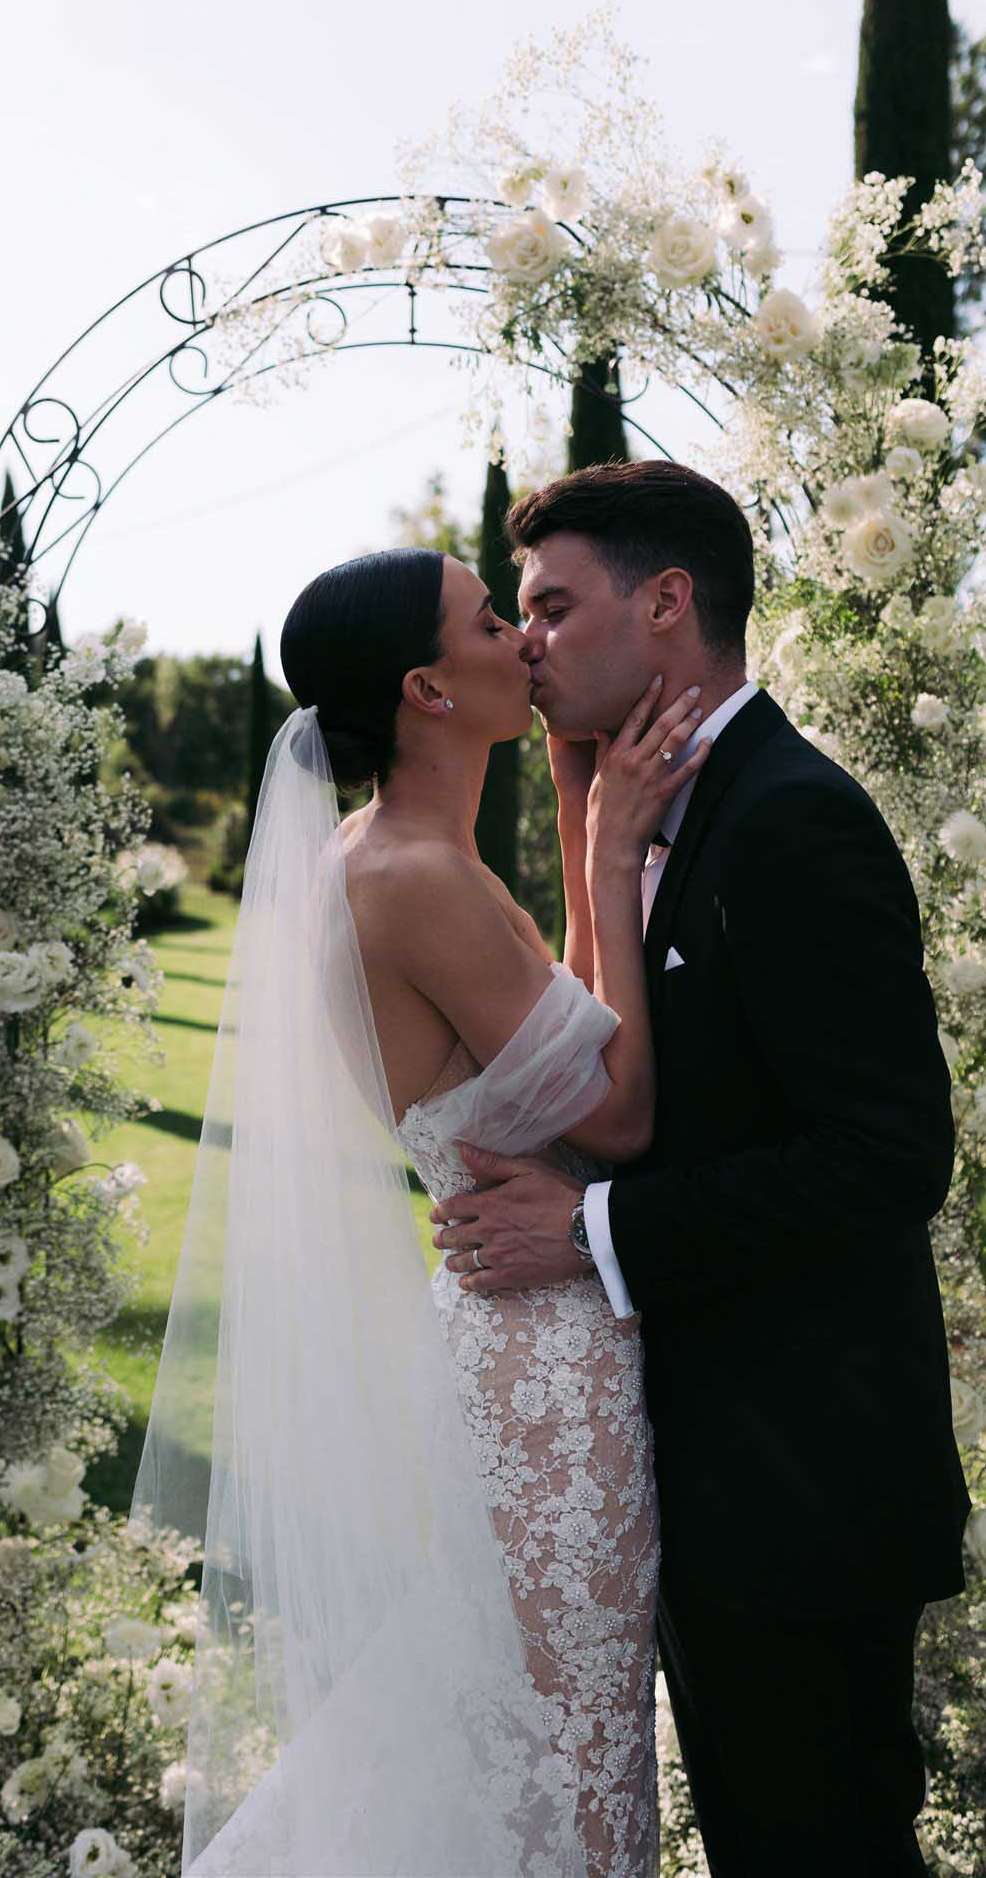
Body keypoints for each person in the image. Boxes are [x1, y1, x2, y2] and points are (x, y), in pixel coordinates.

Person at [432, 458, 973, 1878]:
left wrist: (593, 1230)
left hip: (804, 1490)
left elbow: (887, 1155)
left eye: (552, 605)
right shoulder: (647, 807)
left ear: (667, 603)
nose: (528, 641)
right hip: (696, 1472)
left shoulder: (788, 816)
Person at [131, 540, 701, 1875]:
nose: (524, 641)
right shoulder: (410, 878)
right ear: (427, 689)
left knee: (536, 1731)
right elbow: (613, 1113)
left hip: (515, 1329)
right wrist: (615, 843)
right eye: (491, 621)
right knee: (569, 1750)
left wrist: (575, 817)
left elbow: (552, 1027)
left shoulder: (385, 851)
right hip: (539, 1356)